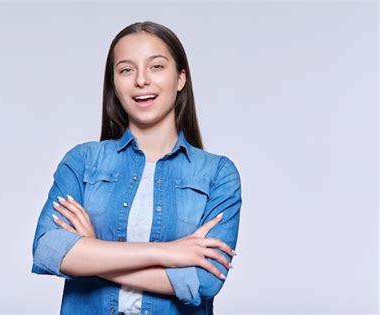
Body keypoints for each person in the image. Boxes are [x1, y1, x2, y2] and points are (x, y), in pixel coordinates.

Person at [31, 21, 242, 315]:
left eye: (156, 67)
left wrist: (91, 251)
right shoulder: (83, 162)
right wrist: (167, 252)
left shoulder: (217, 174)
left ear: (181, 78)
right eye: (126, 70)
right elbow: (49, 250)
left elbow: (204, 280)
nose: (141, 80)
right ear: (114, 85)